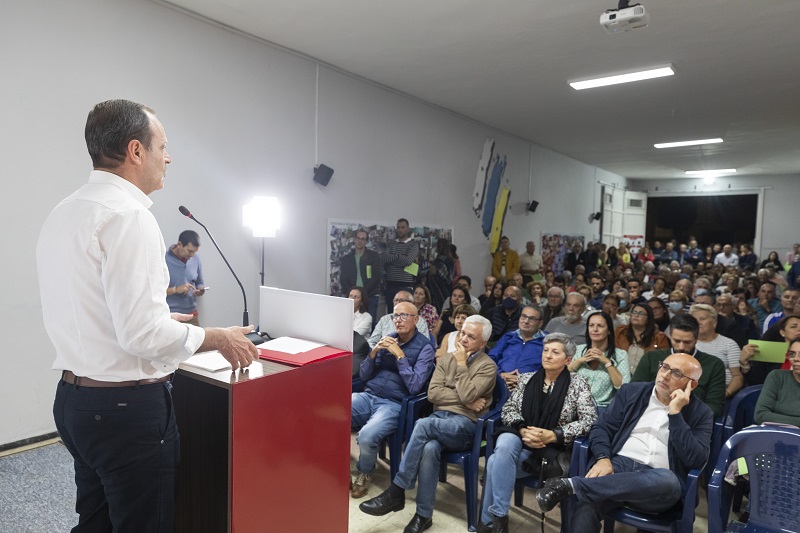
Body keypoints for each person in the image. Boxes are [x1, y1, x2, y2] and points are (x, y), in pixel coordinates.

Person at [36, 99, 259, 531]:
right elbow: (141, 336)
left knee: (95, 523)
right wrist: (218, 337)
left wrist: (157, 319)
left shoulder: (64, 212)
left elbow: (92, 308)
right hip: (125, 411)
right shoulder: (130, 216)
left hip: (73, 402)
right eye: (163, 146)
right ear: (136, 151)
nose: (168, 157)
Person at [535, 354, 713, 533]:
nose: (665, 375)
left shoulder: (701, 413)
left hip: (657, 483)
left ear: (692, 385)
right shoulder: (632, 392)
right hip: (619, 465)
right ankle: (577, 488)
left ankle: (571, 486)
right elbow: (601, 428)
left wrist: (675, 414)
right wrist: (603, 458)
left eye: (676, 373)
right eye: (664, 367)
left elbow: (696, 459)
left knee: (669, 481)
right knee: (586, 504)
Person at [358, 316, 496, 532]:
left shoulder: (488, 366)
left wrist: (461, 366)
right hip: (439, 420)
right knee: (430, 448)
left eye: (471, 337)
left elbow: (467, 394)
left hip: (465, 426)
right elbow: (433, 394)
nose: (463, 339)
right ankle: (423, 516)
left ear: (483, 343)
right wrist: (465, 400)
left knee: (422, 425)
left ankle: (397, 490)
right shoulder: (447, 358)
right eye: (462, 333)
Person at [479, 333, 597, 532]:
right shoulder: (527, 379)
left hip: (550, 453)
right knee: (506, 440)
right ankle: (499, 518)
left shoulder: (578, 384)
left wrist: (553, 435)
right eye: (545, 350)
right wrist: (523, 430)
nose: (547, 355)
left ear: (568, 360)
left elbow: (589, 420)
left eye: (555, 352)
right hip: (521, 440)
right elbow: (508, 409)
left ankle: (490, 523)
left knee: (493, 463)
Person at [351, 300, 436, 498]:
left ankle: (365, 471)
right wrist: (373, 353)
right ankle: (336, 466)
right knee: (333, 414)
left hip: (393, 404)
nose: (398, 320)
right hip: (369, 395)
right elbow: (364, 375)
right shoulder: (388, 338)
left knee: (366, 436)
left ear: (416, 319)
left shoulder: (425, 348)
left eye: (403, 315)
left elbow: (415, 386)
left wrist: (400, 356)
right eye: (395, 315)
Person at [632, 314, 727, 416]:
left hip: (689, 418)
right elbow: (634, 391)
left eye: (687, 342)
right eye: (676, 341)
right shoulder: (651, 357)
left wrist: (678, 410)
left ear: (696, 339)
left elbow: (715, 407)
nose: (681, 347)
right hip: (649, 412)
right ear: (670, 336)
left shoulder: (714, 364)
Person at [569, 311, 630, 407]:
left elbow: (623, 386)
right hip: (575, 405)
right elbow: (562, 376)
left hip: (603, 408)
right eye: (591, 325)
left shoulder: (620, 355)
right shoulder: (578, 350)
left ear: (609, 330)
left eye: (600, 326)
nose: (595, 329)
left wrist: (607, 362)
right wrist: (579, 361)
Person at [690, 304, 744, 400]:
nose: (698, 322)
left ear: (714, 323)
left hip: (721, 394)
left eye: (702, 319)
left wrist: (726, 394)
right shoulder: (687, 344)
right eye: (694, 320)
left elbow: (737, 376)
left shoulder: (729, 344)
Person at [489, 305, 548, 391]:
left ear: (540, 323)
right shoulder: (508, 337)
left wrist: (524, 379)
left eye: (531, 319)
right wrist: (501, 373)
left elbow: (549, 368)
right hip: (500, 382)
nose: (526, 321)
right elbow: (491, 358)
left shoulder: (546, 341)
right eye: (523, 316)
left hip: (530, 387)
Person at [340, 228, 384, 325]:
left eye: (363, 239)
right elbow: (343, 279)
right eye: (358, 238)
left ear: (366, 241)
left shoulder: (374, 256)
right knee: (350, 323)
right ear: (354, 239)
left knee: (370, 323)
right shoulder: (346, 258)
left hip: (370, 295)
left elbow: (377, 276)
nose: (360, 241)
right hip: (352, 297)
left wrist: (363, 292)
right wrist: (352, 293)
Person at [753, 337, 800, 427]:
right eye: (792, 354)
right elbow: (760, 415)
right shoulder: (777, 376)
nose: (795, 359)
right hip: (776, 433)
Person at [740, 315, 800, 386]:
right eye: (793, 327)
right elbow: (756, 382)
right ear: (782, 332)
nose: (799, 329)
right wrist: (744, 363)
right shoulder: (769, 351)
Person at [614, 303, 670, 374]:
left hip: (645, 377)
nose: (636, 315)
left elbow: (663, 362)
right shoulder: (620, 332)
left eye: (641, 313)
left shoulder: (659, 338)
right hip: (620, 375)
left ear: (648, 318)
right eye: (634, 312)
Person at [165, 230, 206, 325]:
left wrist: (200, 289)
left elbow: (199, 282)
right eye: (190, 251)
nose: (192, 255)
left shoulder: (196, 258)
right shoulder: (163, 260)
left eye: (195, 252)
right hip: (170, 316)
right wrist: (175, 290)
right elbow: (155, 291)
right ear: (179, 244)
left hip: (192, 315)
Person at [383, 218, 420, 306]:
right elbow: (384, 258)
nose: (400, 230)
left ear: (408, 229)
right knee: (391, 312)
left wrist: (392, 259)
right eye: (398, 227)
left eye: (403, 227)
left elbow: (408, 261)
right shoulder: (391, 244)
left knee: (405, 310)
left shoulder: (413, 245)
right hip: (390, 284)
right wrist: (401, 257)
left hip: (406, 285)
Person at [427, 237, 454, 312]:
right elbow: (449, 277)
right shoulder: (450, 260)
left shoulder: (438, 262)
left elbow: (437, 275)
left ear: (438, 247)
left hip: (438, 290)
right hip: (448, 289)